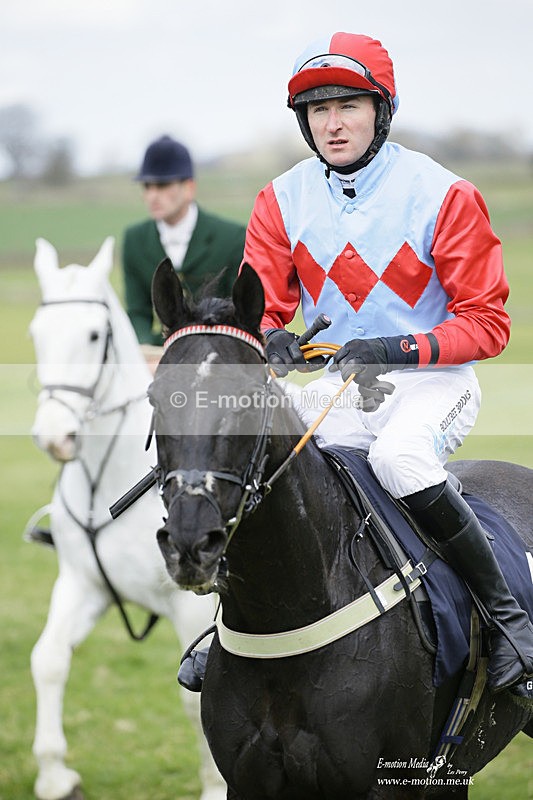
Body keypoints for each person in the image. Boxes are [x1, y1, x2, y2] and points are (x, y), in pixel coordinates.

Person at [240, 32, 533, 695]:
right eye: (317, 110)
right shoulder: (279, 200)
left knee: (399, 459)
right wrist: (270, 339)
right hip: (340, 387)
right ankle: (235, 635)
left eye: (348, 104)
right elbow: (258, 306)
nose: (332, 123)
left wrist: (394, 348)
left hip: (433, 383)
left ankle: (511, 622)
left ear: (382, 109)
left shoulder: (444, 193)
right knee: (271, 468)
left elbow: (486, 324)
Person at [122, 135, 246, 358]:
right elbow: (137, 312)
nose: (152, 195)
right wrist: (149, 350)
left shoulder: (233, 237)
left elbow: (239, 311)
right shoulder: (134, 240)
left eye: (162, 185)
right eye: (147, 186)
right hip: (158, 355)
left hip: (219, 353)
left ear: (189, 188)